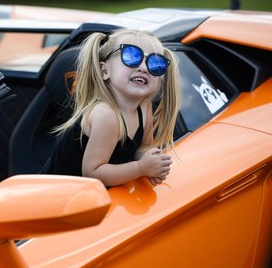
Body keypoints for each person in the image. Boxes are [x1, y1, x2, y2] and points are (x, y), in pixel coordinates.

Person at [41, 28, 180, 187]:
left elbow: (143, 146)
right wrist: (141, 168)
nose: (143, 67)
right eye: (131, 57)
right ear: (104, 71)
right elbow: (93, 172)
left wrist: (151, 160)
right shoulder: (105, 115)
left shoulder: (144, 106)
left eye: (155, 63)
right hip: (55, 196)